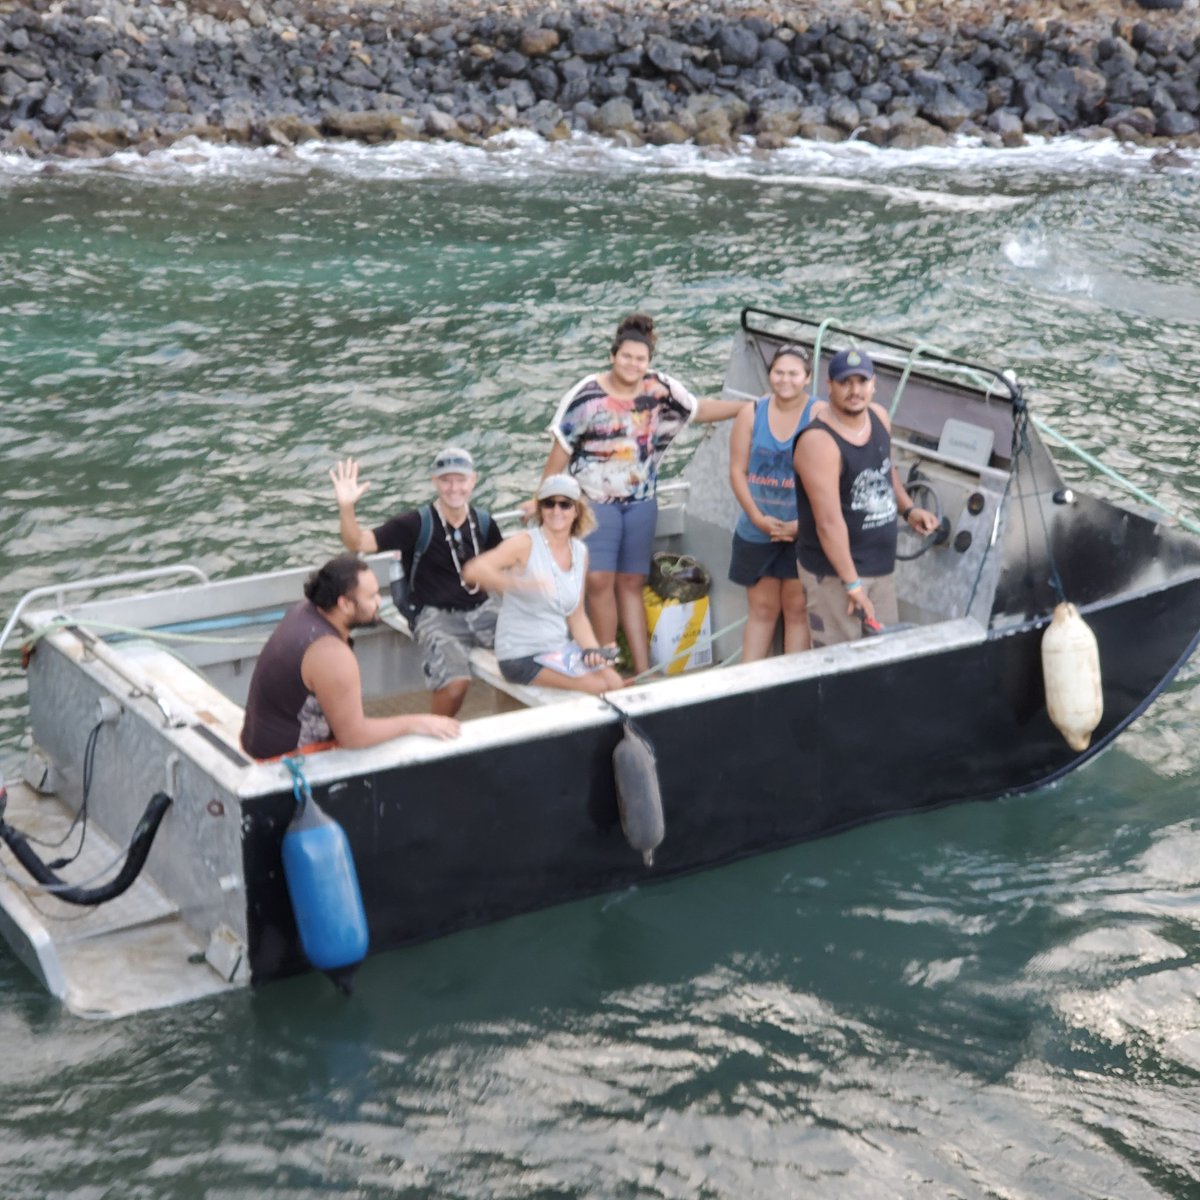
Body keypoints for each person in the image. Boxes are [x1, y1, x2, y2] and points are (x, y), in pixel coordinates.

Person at [532, 313, 744, 675]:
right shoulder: (587, 394)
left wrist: (748, 408)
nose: (632, 364)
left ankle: (642, 670)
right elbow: (561, 448)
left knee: (631, 583)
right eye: (626, 356)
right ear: (614, 355)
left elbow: (698, 409)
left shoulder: (658, 389)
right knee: (598, 581)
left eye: (640, 358)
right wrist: (542, 499)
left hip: (641, 502)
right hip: (594, 504)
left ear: (648, 361)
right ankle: (607, 667)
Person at [331, 446, 503, 717]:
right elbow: (357, 541)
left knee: (527, 647)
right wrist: (346, 507)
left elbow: (502, 567)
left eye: (461, 479)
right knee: (455, 685)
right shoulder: (414, 524)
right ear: (434, 482)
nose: (454, 487)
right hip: (437, 616)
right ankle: (434, 732)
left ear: (473, 480)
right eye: (446, 480)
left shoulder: (483, 523)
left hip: (484, 611)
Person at [240, 554, 459, 759]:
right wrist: (417, 722)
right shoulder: (330, 653)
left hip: (257, 743)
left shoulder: (306, 611)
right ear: (344, 604)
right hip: (285, 762)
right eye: (371, 596)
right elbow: (354, 737)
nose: (379, 602)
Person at [792, 347, 939, 647]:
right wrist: (852, 584)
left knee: (886, 654)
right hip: (834, 576)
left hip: (880, 568)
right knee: (838, 662)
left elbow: (886, 469)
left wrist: (908, 509)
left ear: (873, 384)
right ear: (829, 386)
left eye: (862, 382)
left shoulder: (879, 418)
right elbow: (828, 524)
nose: (854, 390)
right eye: (845, 382)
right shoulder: (819, 442)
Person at [463, 474, 624, 695]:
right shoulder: (525, 544)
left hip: (557, 650)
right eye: (549, 503)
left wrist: (591, 650)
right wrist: (517, 584)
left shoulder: (580, 551)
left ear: (576, 510)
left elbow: (577, 616)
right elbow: (473, 570)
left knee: (614, 681)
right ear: (541, 509)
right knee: (596, 686)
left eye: (565, 504)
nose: (556, 511)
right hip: (520, 655)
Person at [728, 344, 818, 661]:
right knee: (763, 609)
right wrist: (756, 517)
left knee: (797, 609)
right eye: (778, 372)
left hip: (802, 530)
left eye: (794, 373)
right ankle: (747, 685)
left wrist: (801, 526)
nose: (785, 380)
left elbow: (830, 480)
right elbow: (737, 471)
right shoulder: (751, 413)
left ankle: (791, 688)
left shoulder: (819, 414)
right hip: (758, 529)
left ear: (807, 378)